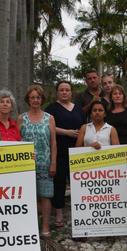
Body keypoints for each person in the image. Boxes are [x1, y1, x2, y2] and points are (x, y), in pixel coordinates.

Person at [45, 80, 85, 228]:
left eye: (67, 90)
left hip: (77, 150)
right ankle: (59, 213)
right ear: (57, 92)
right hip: (59, 151)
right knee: (59, 182)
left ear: (71, 92)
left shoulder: (78, 109)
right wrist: (66, 132)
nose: (64, 92)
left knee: (77, 182)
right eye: (61, 90)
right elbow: (48, 127)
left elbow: (84, 126)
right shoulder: (51, 109)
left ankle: (80, 212)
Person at [19, 85, 57, 237]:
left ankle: (45, 226)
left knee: (45, 195)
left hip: (45, 162)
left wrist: (53, 162)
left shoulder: (49, 118)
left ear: (42, 99)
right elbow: (17, 139)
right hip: (25, 164)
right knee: (28, 195)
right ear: (28, 99)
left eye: (38, 97)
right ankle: (30, 225)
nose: (35, 100)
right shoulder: (21, 118)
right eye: (32, 97)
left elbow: (53, 142)